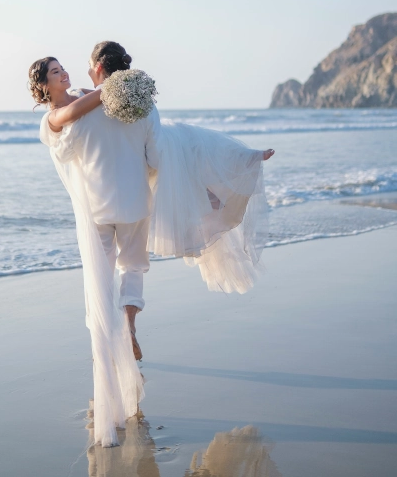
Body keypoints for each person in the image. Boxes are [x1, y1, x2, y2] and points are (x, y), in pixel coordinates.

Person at [29, 42, 274, 447]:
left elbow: (73, 128)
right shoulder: (133, 106)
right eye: (56, 71)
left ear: (96, 69)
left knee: (98, 286)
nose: (68, 73)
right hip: (134, 205)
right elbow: (166, 153)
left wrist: (113, 90)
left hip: (96, 209)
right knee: (134, 268)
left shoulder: (75, 115)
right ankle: (129, 326)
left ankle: (108, 359)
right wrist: (213, 178)